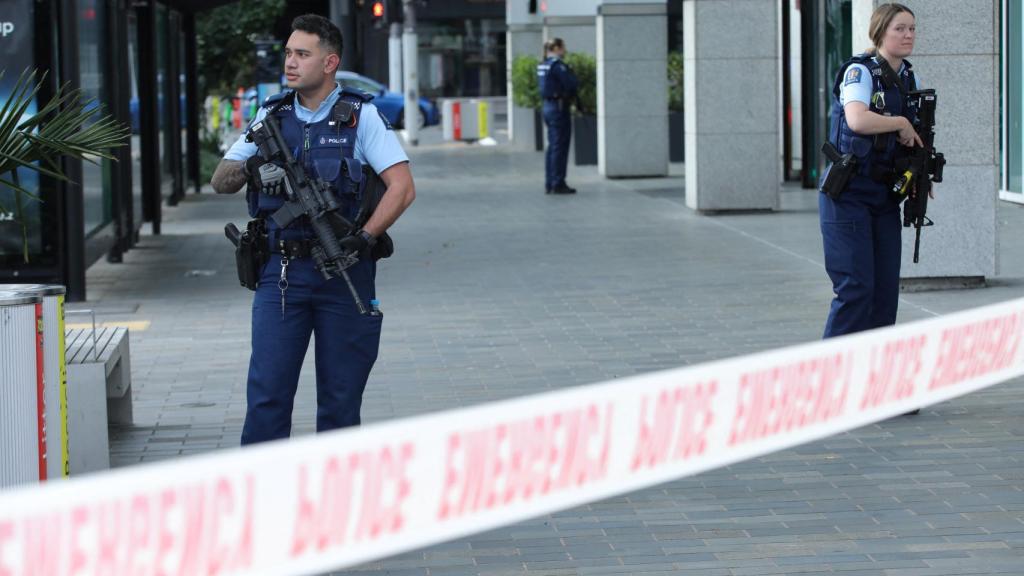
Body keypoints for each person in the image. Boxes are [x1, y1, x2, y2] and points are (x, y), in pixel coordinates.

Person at [210, 14, 415, 445]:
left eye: (302, 54)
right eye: (288, 52)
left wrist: (365, 237)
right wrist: (252, 166)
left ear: (329, 62)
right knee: (267, 397)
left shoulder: (361, 117)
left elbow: (402, 188)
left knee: (341, 401)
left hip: (344, 269)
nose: (290, 62)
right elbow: (220, 181)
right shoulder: (271, 116)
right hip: (281, 275)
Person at [819, 3, 930, 339]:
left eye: (912, 28)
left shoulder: (908, 76)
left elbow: (918, 137)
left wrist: (921, 175)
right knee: (855, 291)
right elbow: (856, 118)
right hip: (848, 194)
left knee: (884, 296)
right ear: (881, 31)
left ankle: (875, 381)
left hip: (883, 199)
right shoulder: (861, 72)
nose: (908, 35)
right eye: (900, 28)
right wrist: (898, 122)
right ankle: (831, 378)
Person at [537, 38, 579, 195]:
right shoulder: (557, 65)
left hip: (548, 106)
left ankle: (550, 182)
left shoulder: (543, 64)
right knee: (559, 146)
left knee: (553, 146)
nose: (565, 50)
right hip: (558, 107)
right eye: (563, 47)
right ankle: (558, 182)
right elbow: (571, 84)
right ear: (557, 48)